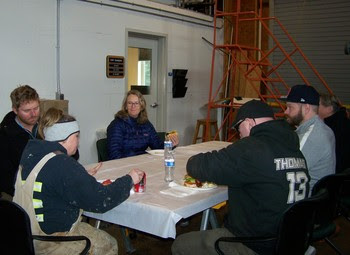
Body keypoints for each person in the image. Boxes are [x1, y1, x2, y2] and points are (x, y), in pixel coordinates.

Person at [172, 100, 310, 255]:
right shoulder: (292, 145)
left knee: (180, 245)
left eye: (239, 128)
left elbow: (196, 166)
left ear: (249, 123)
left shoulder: (252, 147)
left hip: (257, 244)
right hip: (292, 239)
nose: (239, 134)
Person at [13, 107, 145, 255]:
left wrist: (80, 174)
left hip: (23, 235)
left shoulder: (33, 152)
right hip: (49, 242)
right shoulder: (63, 164)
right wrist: (129, 179)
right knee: (109, 244)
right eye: (76, 136)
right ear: (67, 137)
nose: (78, 141)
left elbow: (49, 178)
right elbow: (101, 200)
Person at [282, 84, 336, 192]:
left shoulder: (314, 136)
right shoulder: (318, 128)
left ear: (306, 108)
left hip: (305, 202)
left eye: (290, 107)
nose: (285, 112)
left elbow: (287, 171)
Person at [107, 89, 179, 159]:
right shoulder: (117, 124)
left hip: (141, 162)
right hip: (124, 164)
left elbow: (157, 146)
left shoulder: (146, 124)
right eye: (130, 103)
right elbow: (114, 155)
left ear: (141, 106)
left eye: (136, 103)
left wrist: (170, 144)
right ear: (125, 106)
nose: (133, 106)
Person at [0, 85, 40, 201]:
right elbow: (6, 177)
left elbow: (71, 153)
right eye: (27, 110)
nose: (33, 114)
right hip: (19, 193)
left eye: (36, 108)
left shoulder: (47, 126)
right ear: (15, 110)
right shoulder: (5, 136)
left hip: (48, 186)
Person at [318, 94, 350, 173]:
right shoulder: (342, 122)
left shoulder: (330, 128)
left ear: (329, 109)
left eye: (318, 105)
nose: (315, 109)